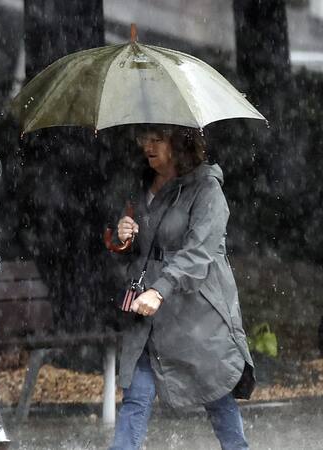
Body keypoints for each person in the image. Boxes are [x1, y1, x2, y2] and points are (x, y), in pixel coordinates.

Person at [109, 125, 255, 450]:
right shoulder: (142, 184)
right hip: (148, 312)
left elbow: (198, 253)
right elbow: (138, 244)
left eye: (157, 139)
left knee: (215, 392)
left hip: (196, 313)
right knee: (136, 395)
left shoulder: (207, 190)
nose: (147, 146)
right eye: (143, 139)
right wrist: (122, 235)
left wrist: (160, 290)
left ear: (179, 142)